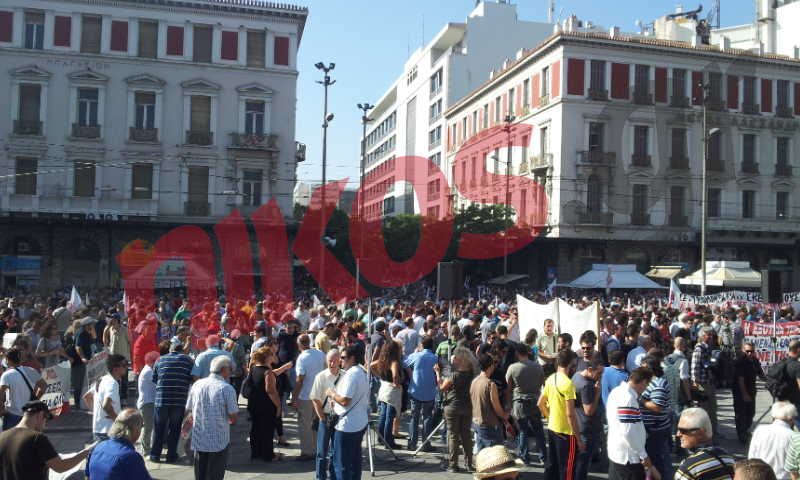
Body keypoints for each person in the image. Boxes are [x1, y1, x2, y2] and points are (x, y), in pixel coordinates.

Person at [0, 400, 94, 480]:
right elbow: (61, 467)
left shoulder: (2, 436)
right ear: (40, 415)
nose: (44, 427)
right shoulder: (37, 438)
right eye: (46, 420)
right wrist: (86, 452)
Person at [185, 356, 239, 480]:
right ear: (224, 369)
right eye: (229, 369)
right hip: (218, 438)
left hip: (199, 437)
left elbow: (189, 408)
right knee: (215, 474)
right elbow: (233, 414)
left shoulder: (197, 384)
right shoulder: (227, 389)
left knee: (200, 474)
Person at [538, 349, 584, 480]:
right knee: (567, 469)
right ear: (571, 363)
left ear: (558, 361)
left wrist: (549, 417)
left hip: (553, 428)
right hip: (566, 433)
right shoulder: (568, 384)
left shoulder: (551, 378)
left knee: (551, 465)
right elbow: (570, 415)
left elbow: (540, 404)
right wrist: (579, 439)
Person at [326, 345, 369, 480]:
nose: (340, 361)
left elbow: (345, 400)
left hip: (347, 425)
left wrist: (332, 394)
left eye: (343, 358)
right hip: (358, 422)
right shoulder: (361, 372)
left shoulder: (351, 374)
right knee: (355, 463)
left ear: (352, 358)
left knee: (342, 464)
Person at [149, 342, 194, 463]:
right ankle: (171, 456)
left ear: (170, 350)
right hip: (179, 400)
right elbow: (192, 378)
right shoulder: (188, 361)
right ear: (181, 350)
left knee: (159, 428)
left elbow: (154, 379)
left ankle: (154, 455)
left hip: (161, 400)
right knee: (175, 428)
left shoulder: (159, 360)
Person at [606, 366, 654, 480]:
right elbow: (628, 432)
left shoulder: (617, 391)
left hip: (619, 453)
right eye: (647, 385)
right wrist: (643, 454)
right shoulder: (628, 399)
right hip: (628, 458)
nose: (646, 388)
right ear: (643, 382)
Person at [434, 346, 475, 472]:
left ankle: (453, 464)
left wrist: (437, 373)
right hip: (467, 406)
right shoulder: (472, 373)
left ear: (460, 359)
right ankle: (468, 463)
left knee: (453, 435)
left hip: (453, 406)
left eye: (456, 356)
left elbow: (441, 387)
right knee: (466, 435)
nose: (454, 358)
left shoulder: (454, 375)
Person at [506, 342, 547, 466]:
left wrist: (508, 403)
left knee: (522, 431)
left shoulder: (513, 368)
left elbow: (508, 387)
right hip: (535, 400)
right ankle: (543, 457)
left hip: (519, 401)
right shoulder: (537, 367)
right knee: (538, 430)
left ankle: (525, 458)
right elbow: (541, 382)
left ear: (517, 354)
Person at [84, 409, 153, 480]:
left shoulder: (96, 448)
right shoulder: (130, 457)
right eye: (141, 427)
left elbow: (87, 477)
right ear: (135, 428)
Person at [292, 334, 326, 461]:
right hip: (319, 394)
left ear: (298, 345)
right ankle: (316, 448)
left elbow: (299, 380)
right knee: (315, 423)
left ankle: (308, 451)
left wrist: (295, 399)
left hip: (306, 395)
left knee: (305, 425)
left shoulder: (302, 358)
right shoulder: (319, 353)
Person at [675, 407, 735, 480]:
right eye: (677, 429)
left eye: (683, 430)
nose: (677, 434)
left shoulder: (690, 466)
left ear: (700, 433)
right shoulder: (727, 457)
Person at [402, 335, 439, 452]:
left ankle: (412, 443)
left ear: (421, 345)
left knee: (414, 417)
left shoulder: (415, 356)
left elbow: (403, 363)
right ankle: (425, 443)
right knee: (427, 417)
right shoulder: (435, 358)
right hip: (430, 390)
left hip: (416, 390)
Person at [310, 349, 343, 480]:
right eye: (330, 360)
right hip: (325, 416)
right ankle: (320, 477)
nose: (332, 363)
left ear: (340, 361)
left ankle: (333, 476)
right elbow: (314, 398)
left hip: (339, 417)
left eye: (335, 360)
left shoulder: (345, 376)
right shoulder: (321, 376)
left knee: (335, 451)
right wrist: (322, 418)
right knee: (321, 452)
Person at [247, 346, 282, 462]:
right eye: (271, 354)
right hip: (266, 404)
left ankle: (256, 452)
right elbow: (270, 390)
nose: (273, 356)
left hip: (254, 402)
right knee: (267, 430)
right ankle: (268, 454)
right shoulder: (267, 372)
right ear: (267, 357)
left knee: (256, 428)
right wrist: (278, 405)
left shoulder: (254, 368)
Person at [640, 356, 672, 480]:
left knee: (656, 463)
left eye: (642, 368)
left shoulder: (658, 383)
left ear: (650, 368)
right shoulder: (650, 381)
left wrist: (640, 400)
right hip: (651, 429)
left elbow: (657, 407)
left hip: (655, 430)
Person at [571, 357, 604, 480]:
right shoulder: (586, 385)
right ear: (590, 369)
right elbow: (589, 411)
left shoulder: (576, 376)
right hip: (586, 428)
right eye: (598, 373)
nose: (600, 376)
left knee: (579, 461)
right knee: (583, 463)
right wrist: (597, 394)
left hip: (579, 426)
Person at [84, 353, 128, 441]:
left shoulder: (102, 379)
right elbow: (106, 405)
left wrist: (98, 413)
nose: (127, 367)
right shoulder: (113, 383)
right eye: (124, 365)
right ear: (115, 369)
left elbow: (87, 397)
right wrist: (118, 421)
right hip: (109, 431)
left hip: (98, 429)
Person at [0, 349, 47, 431]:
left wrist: (1, 410)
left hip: (12, 413)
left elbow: (1, 392)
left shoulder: (7, 375)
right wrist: (36, 398)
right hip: (28, 414)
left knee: (8, 441)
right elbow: (44, 386)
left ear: (7, 360)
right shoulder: (31, 371)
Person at [748, 402, 797, 480]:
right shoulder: (794, 437)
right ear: (791, 417)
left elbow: (751, 458)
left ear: (774, 416)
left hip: (761, 477)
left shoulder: (759, 431)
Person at [371, 339, 402, 450]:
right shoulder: (393, 361)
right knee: (389, 416)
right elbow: (395, 374)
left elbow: (370, 366)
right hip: (391, 390)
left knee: (383, 415)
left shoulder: (382, 360)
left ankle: (380, 438)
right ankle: (389, 441)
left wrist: (380, 376)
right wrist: (396, 383)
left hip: (383, 388)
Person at [734, 341, 767, 443]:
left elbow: (760, 373)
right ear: (743, 350)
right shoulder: (740, 361)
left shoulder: (755, 361)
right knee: (740, 413)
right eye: (747, 351)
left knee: (750, 412)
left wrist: (769, 381)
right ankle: (742, 434)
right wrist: (744, 394)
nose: (749, 353)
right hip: (740, 391)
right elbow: (740, 379)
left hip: (751, 389)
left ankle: (747, 430)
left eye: (751, 351)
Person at [692, 328, 722, 438]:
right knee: (704, 409)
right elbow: (694, 366)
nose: (710, 337)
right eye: (708, 335)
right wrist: (695, 382)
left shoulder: (709, 348)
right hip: (703, 382)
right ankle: (705, 432)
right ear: (702, 336)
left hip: (711, 382)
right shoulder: (699, 349)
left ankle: (713, 430)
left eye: (711, 335)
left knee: (713, 407)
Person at [137, 351, 159, 456]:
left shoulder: (148, 370)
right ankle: (145, 449)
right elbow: (158, 383)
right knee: (147, 427)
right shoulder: (149, 372)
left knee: (149, 426)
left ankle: (146, 447)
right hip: (147, 403)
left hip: (149, 402)